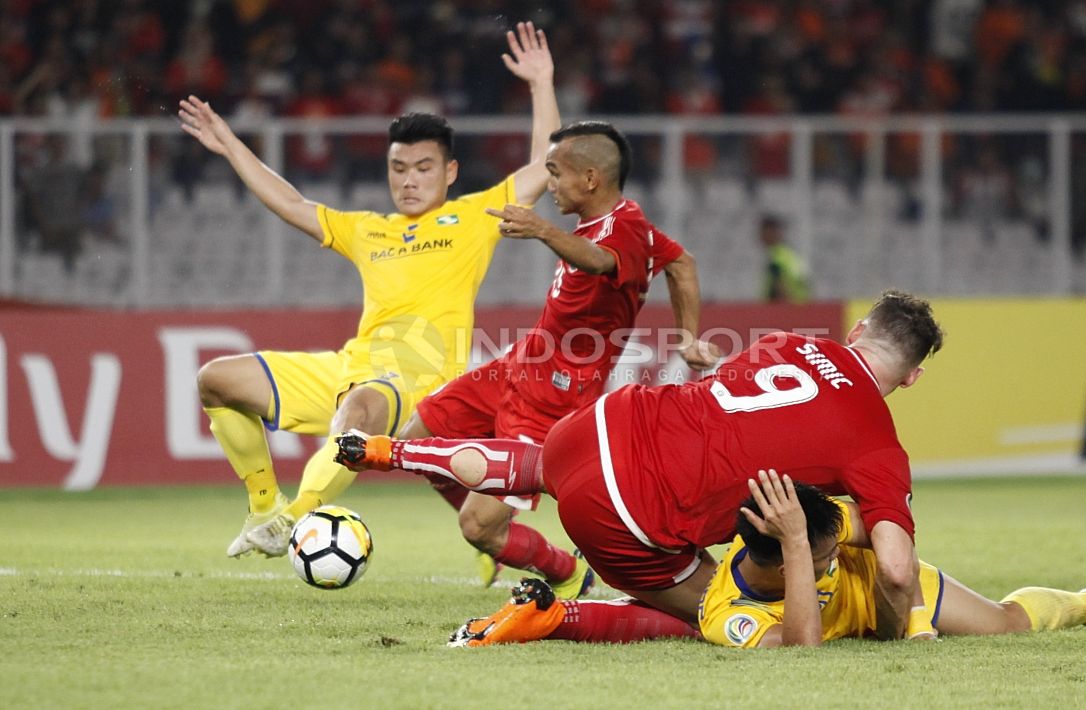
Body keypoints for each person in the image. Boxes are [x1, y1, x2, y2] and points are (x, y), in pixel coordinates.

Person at [338, 290, 942, 637]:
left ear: (860, 329)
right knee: (723, 610)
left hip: (604, 421)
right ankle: (550, 618)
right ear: (913, 378)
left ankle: (392, 450)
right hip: (627, 509)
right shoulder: (879, 447)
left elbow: (744, 404)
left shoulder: (789, 342)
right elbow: (894, 570)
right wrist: (896, 630)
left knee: (533, 465)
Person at [177, 22, 561, 559]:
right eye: (398, 168)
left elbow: (545, 165)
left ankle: (292, 520)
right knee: (215, 380)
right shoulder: (367, 229)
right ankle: (265, 508)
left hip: (419, 377)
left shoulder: (472, 216)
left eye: (423, 168)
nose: (409, 180)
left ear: (450, 172)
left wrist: (541, 83)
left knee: (358, 411)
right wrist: (231, 147)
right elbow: (291, 204)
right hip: (352, 366)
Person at [336, 119, 719, 599]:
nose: (550, 184)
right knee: (421, 442)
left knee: (477, 525)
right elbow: (682, 264)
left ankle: (564, 570)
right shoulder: (619, 221)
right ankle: (501, 532)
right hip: (520, 363)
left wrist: (541, 229)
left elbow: (598, 261)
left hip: (555, 396)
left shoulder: (624, 229)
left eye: (556, 173)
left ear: (591, 179)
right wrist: (687, 338)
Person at [446, 471, 1086, 647]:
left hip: (895, 596)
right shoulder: (728, 614)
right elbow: (800, 654)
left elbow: (882, 534)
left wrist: (895, 589)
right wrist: (805, 550)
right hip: (846, 616)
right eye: (821, 549)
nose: (835, 552)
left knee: (1011, 627)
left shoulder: (815, 531)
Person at [759, 215, 808, 303]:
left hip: (789, 309)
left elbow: (780, 285)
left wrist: (786, 312)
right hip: (801, 307)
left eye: (764, 232)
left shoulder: (776, 258)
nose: (761, 236)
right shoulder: (789, 255)